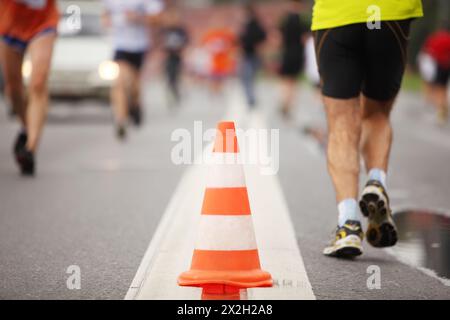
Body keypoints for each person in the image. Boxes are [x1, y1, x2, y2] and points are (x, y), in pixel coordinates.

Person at [312, 0, 423, 257]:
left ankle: (348, 225)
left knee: (341, 124)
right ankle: (376, 181)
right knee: (377, 113)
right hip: (390, 13)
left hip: (337, 15)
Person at [0, 0, 59, 176]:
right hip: (10, 24)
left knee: (38, 83)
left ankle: (30, 148)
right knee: (13, 90)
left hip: (43, 24)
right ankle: (27, 127)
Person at [102, 0, 164, 139]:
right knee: (119, 83)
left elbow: (158, 18)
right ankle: (120, 119)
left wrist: (138, 18)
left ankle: (136, 106)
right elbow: (105, 13)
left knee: (135, 86)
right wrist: (106, 21)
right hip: (120, 46)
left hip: (139, 46)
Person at [279, 0, 307, 118]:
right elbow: (305, 39)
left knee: (286, 80)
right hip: (297, 53)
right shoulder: (302, 21)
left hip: (287, 53)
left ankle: (285, 102)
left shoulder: (285, 20)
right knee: (294, 82)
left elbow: (279, 38)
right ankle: (289, 104)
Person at [418, 26, 450, 125]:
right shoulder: (448, 38)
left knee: (438, 89)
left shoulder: (437, 37)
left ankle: (441, 110)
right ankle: (443, 107)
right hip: (447, 65)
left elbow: (431, 51)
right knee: (444, 88)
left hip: (440, 65)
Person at [239, 4, 267, 108]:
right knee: (248, 78)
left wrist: (258, 47)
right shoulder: (246, 25)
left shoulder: (253, 25)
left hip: (252, 55)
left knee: (248, 78)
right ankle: (251, 97)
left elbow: (263, 37)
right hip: (248, 55)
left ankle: (251, 98)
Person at [161, 7, 189, 106]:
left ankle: (178, 90)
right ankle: (172, 91)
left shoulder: (180, 30)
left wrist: (183, 52)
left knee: (177, 75)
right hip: (168, 56)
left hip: (178, 56)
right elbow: (160, 43)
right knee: (170, 76)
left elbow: (186, 42)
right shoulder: (165, 30)